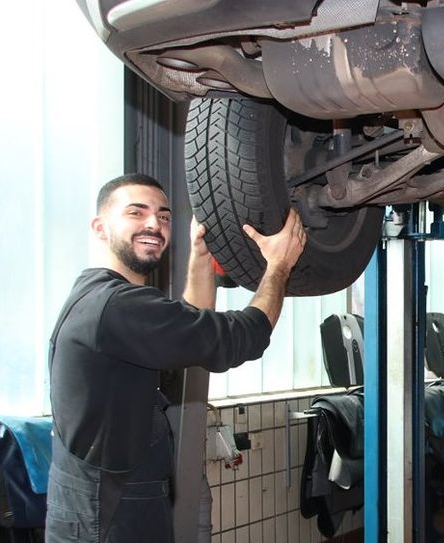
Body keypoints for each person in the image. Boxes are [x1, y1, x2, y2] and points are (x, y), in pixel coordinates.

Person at [45, 173, 307, 543]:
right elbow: (240, 338)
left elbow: (188, 330)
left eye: (164, 216)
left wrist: (201, 256)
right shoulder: (119, 306)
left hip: (108, 499)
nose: (154, 223)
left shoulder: (100, 296)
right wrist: (279, 265)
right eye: (136, 212)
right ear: (100, 227)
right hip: (108, 515)